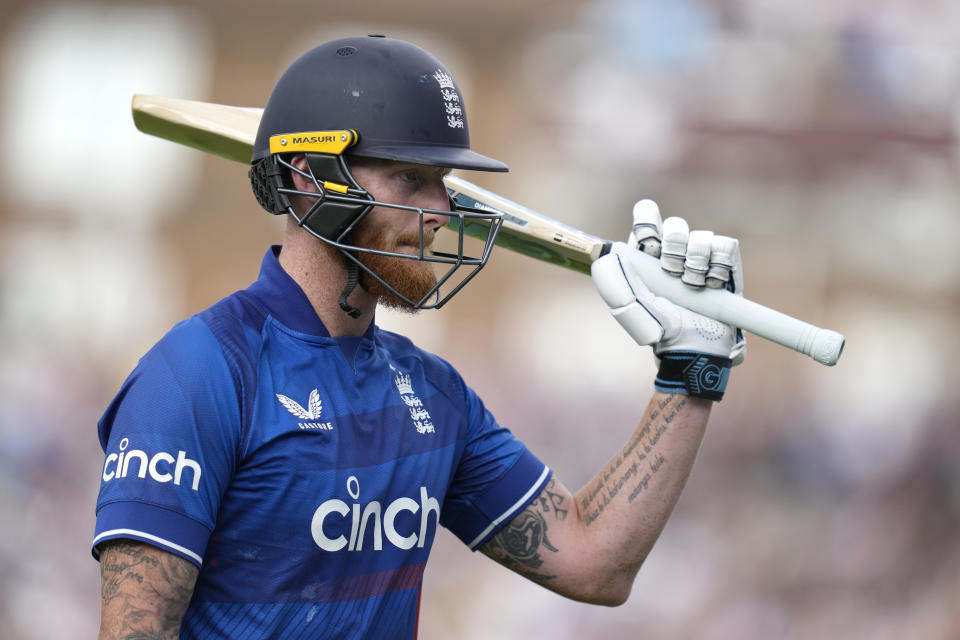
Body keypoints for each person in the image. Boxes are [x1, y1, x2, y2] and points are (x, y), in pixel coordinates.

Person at [93, 35, 745, 639]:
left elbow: (591, 560)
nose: (441, 211)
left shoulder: (434, 394)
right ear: (307, 177)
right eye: (411, 178)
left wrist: (689, 373)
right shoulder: (198, 372)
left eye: (443, 182)